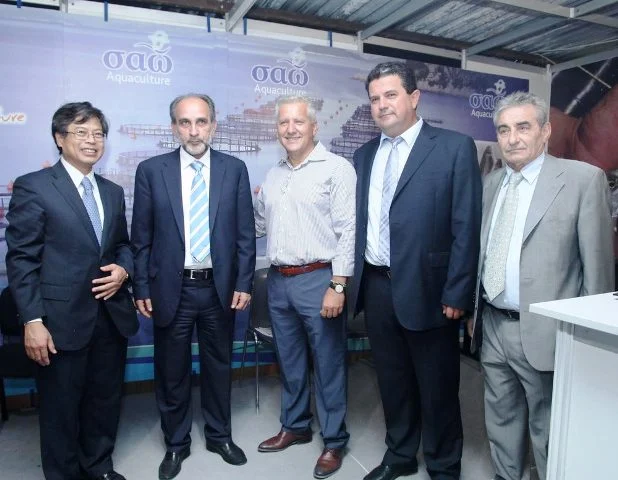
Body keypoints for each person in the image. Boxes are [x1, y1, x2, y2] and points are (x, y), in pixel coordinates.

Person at [468, 91, 614, 480]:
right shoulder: (491, 183)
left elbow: (598, 273)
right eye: (503, 130)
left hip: (548, 335)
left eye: (523, 127)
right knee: (500, 420)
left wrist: (587, 344)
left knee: (550, 431)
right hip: (493, 325)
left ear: (546, 131)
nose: (512, 138)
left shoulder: (582, 180)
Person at [349, 61, 482, 480]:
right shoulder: (364, 155)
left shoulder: (453, 147)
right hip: (377, 285)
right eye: (375, 98)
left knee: (437, 385)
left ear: (414, 97)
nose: (382, 105)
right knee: (392, 380)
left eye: (391, 95)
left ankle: (443, 466)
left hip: (431, 289)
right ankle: (401, 454)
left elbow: (466, 225)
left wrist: (458, 292)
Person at [6, 102, 137, 480]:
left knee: (104, 401)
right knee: (60, 410)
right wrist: (33, 320)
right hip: (58, 321)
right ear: (59, 139)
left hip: (110, 316)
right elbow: (21, 259)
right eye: (81, 132)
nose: (92, 140)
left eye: (98, 134)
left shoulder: (112, 191)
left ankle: (98, 466)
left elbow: (122, 245)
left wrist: (124, 269)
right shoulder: (34, 186)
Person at [131, 93, 256, 480]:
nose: (194, 130)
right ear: (174, 128)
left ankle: (219, 436)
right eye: (185, 122)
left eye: (201, 122)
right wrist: (141, 288)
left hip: (219, 289)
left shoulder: (235, 169)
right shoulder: (151, 171)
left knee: (219, 366)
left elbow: (245, 235)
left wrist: (244, 282)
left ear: (213, 125)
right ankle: (176, 443)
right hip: (172, 290)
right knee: (172, 370)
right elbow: (141, 239)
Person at [254, 95, 356, 479]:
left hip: (319, 280)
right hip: (279, 282)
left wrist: (338, 286)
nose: (290, 129)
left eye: (298, 121)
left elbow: (348, 232)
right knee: (290, 361)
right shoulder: (273, 175)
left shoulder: (337, 169)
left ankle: (334, 440)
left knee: (328, 364)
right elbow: (260, 226)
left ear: (314, 126)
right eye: (283, 122)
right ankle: (295, 425)